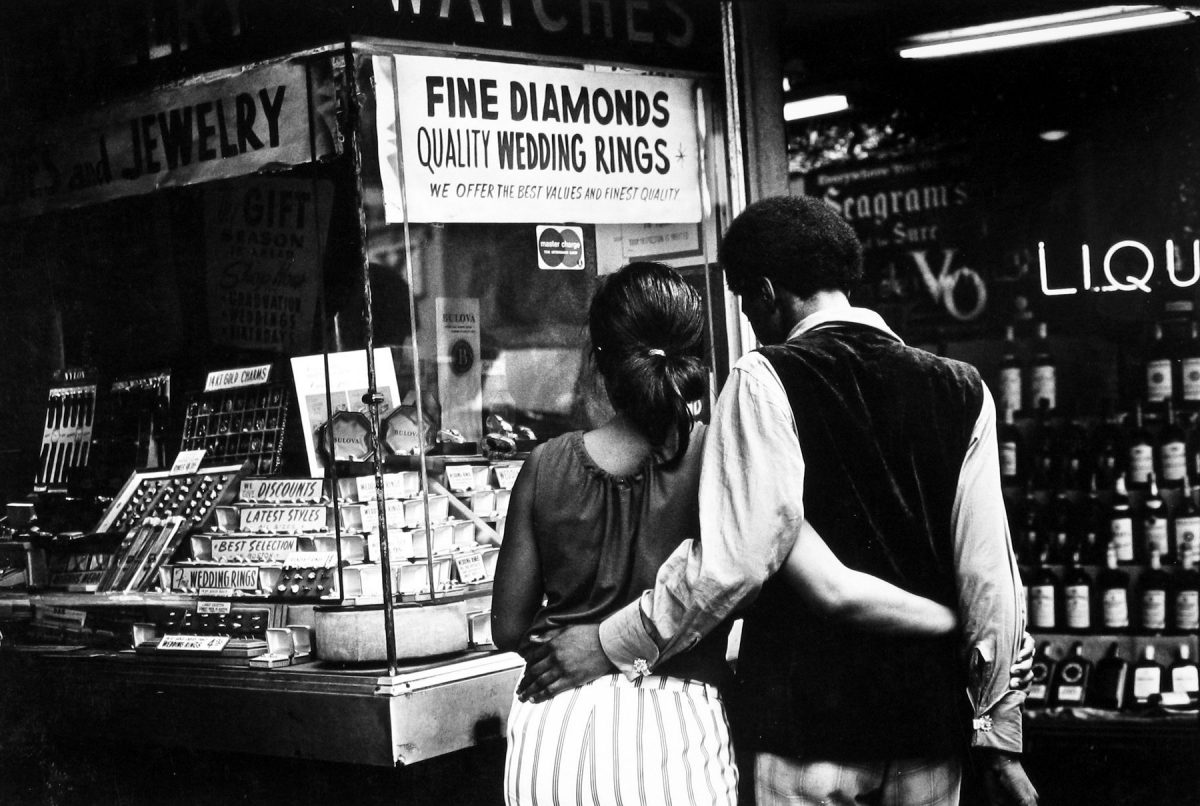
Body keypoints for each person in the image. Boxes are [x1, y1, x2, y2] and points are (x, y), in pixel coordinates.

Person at [516, 198, 1038, 806]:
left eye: (743, 299)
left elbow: (731, 563)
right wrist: (998, 729)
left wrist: (608, 642)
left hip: (809, 727)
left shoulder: (765, 378)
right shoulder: (963, 387)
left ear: (765, 293)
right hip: (930, 725)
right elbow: (990, 576)